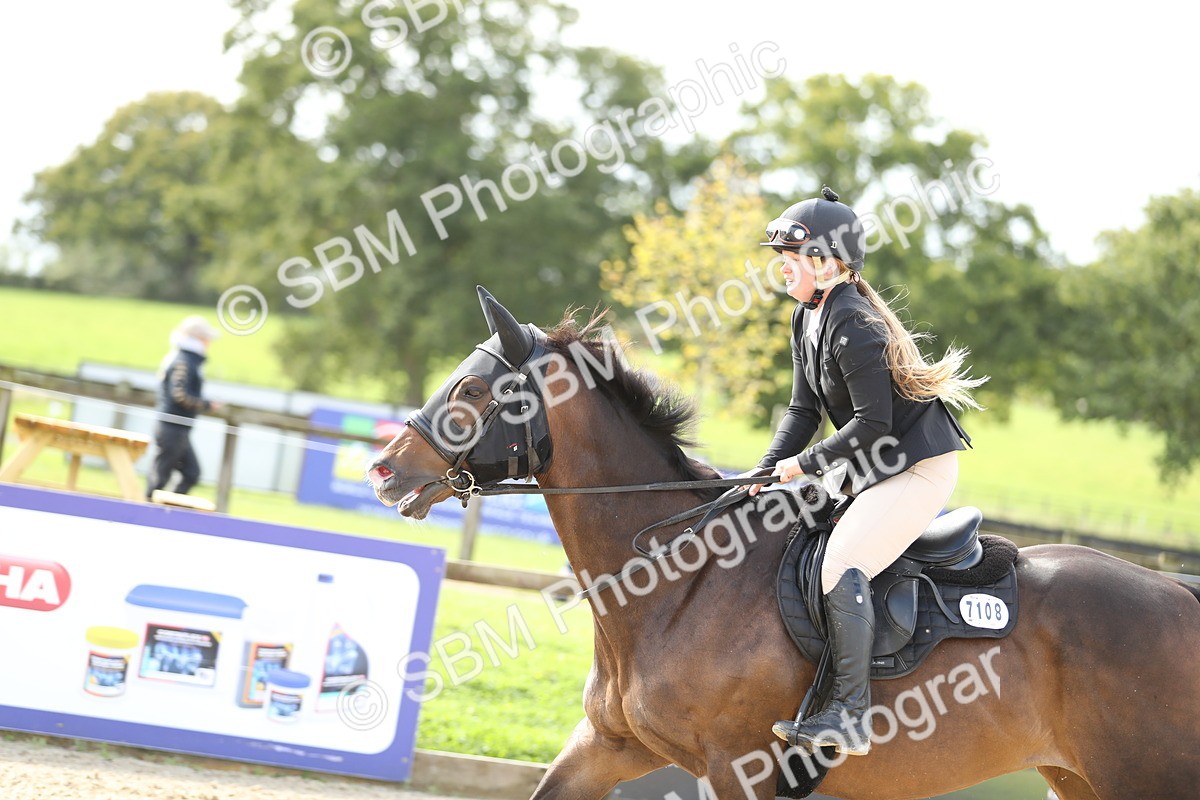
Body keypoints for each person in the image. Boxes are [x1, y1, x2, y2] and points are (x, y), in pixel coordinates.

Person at [748, 187, 986, 755]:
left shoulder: (854, 322)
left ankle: (850, 716)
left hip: (916, 469)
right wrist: (762, 470)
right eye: (782, 258)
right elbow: (803, 412)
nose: (783, 267)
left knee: (842, 562)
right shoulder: (808, 317)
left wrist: (804, 464)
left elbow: (873, 424)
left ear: (828, 263)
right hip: (878, 467)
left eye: (792, 257)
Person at [145, 316, 222, 500]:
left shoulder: (185, 359)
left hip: (177, 428)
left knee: (191, 472)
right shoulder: (184, 361)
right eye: (206, 338)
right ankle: (147, 508)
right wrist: (206, 404)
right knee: (160, 477)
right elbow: (179, 395)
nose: (209, 342)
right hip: (172, 427)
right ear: (198, 338)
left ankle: (166, 507)